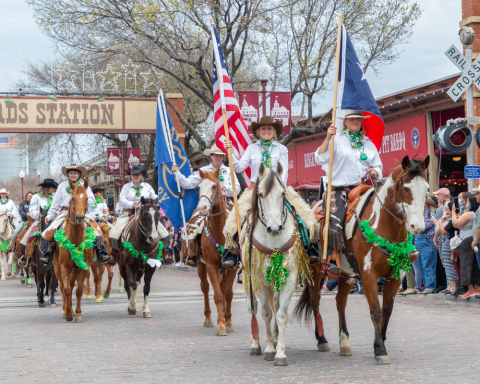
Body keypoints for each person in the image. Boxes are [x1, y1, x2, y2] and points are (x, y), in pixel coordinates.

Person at [222, 116, 316, 268]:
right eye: (263, 129)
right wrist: (230, 151)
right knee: (234, 219)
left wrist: (278, 188)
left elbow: (284, 171)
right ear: (258, 132)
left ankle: (311, 248)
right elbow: (239, 167)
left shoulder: (282, 149)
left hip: (278, 188)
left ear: (274, 132)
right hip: (255, 190)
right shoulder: (252, 148)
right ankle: (231, 251)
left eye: (270, 129)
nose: (267, 131)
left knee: (306, 216)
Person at [314, 110, 382, 265]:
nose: (355, 121)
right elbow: (320, 158)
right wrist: (327, 138)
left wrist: (375, 171)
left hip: (365, 187)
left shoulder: (368, 143)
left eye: (358, 119)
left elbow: (378, 167)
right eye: (351, 119)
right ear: (345, 122)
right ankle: (332, 256)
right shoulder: (336, 139)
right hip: (340, 189)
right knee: (335, 220)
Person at [171, 143, 240, 267]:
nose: (218, 158)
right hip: (205, 206)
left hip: (226, 203)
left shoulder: (229, 171)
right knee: (192, 225)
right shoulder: (204, 171)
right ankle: (192, 255)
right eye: (215, 155)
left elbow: (238, 189)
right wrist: (177, 173)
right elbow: (188, 183)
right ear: (211, 156)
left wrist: (226, 188)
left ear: (224, 157)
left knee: (241, 225)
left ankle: (236, 255)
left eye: (220, 155)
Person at [40, 163, 110, 264]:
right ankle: (47, 253)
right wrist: (50, 215)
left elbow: (92, 200)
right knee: (51, 228)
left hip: (82, 211)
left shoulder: (85, 186)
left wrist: (83, 201)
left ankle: (101, 252)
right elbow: (55, 203)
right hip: (65, 212)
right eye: (71, 173)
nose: (73, 175)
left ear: (79, 175)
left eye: (75, 173)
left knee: (97, 229)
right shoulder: (62, 186)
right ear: (68, 175)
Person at [108, 165, 169, 260]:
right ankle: (114, 254)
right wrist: (132, 204)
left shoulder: (147, 186)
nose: (135, 176)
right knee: (115, 231)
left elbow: (154, 196)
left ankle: (164, 253)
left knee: (164, 232)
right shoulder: (126, 187)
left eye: (137, 174)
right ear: (131, 176)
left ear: (141, 176)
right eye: (133, 175)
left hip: (146, 214)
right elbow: (122, 200)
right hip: (129, 213)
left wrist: (162, 197)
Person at [17, 179, 58, 266]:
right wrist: (41, 214)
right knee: (28, 236)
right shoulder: (36, 197)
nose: (54, 189)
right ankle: (24, 256)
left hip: (54, 220)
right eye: (52, 187)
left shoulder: (55, 196)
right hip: (39, 220)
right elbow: (31, 211)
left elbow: (58, 207)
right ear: (46, 188)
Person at [451, 194, 480, 298]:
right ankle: (477, 288)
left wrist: (453, 211)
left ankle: (470, 289)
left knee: (466, 265)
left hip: (467, 240)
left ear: (472, 202)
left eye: (468, 201)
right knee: (475, 265)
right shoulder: (476, 212)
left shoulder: (469, 214)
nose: (466, 203)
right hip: (473, 240)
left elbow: (455, 223)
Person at [433, 201, 458, 294]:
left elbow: (442, 230)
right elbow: (439, 229)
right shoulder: (447, 219)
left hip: (448, 243)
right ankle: (450, 286)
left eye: (447, 210)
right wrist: (441, 219)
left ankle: (453, 287)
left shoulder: (452, 220)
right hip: (444, 243)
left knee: (450, 265)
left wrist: (440, 221)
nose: (446, 211)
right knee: (447, 265)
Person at [414, 196, 437, 294]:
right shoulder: (418, 215)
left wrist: (414, 227)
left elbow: (424, 227)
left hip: (427, 242)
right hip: (418, 241)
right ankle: (427, 285)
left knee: (427, 264)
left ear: (426, 204)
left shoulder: (429, 213)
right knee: (420, 265)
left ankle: (430, 286)